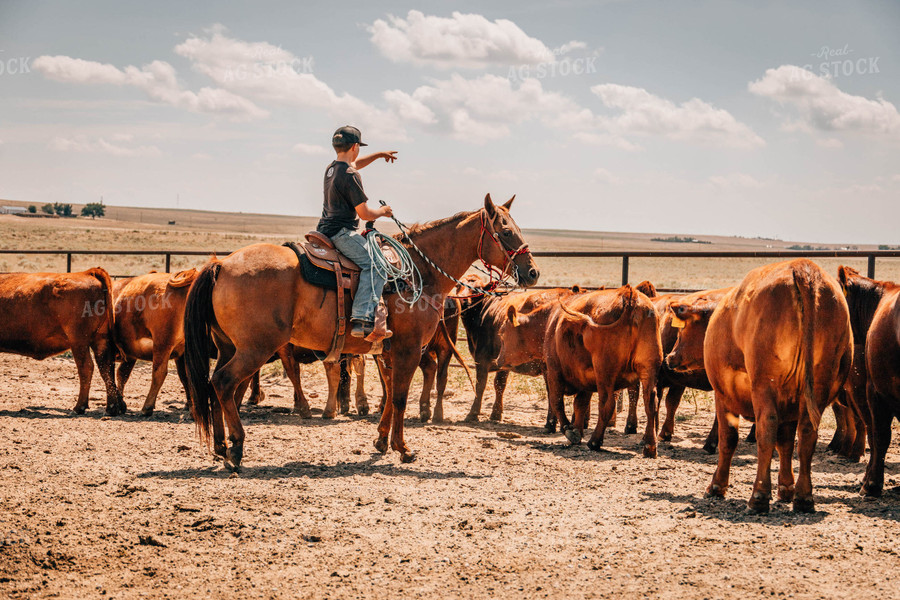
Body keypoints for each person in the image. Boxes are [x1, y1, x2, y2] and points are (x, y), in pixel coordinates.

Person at [316, 125, 397, 338]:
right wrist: (383, 211)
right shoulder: (351, 175)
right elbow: (365, 214)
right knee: (377, 265)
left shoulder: (332, 168)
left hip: (325, 229)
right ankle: (362, 317)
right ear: (355, 146)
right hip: (341, 232)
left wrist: (379, 155)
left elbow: (354, 163)